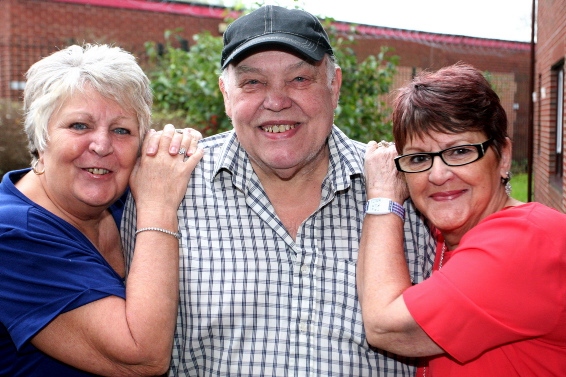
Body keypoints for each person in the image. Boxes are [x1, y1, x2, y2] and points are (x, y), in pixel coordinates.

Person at [121, 5, 436, 376]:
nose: (276, 101)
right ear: (226, 93)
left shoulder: (405, 187)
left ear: (334, 85)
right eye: (252, 82)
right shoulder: (165, 187)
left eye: (299, 79)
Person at [0, 44, 204, 376]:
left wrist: (181, 152)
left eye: (122, 130)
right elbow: (142, 356)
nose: (102, 145)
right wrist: (158, 206)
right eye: (79, 125)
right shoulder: (12, 236)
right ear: (40, 137)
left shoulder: (121, 202)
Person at [357, 62, 566, 376]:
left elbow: (386, 325)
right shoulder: (449, 239)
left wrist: (384, 194)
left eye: (460, 152)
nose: (438, 175)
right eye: (418, 158)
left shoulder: (525, 240)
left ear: (503, 156)